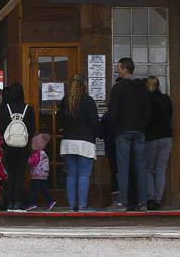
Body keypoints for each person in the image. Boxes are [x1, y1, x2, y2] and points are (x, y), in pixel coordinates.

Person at [108, 57, 150, 211]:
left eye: (119, 67)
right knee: (140, 166)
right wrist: (142, 125)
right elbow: (147, 111)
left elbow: (113, 113)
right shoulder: (142, 88)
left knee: (123, 167)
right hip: (139, 130)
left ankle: (122, 202)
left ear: (125, 69)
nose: (117, 70)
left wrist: (114, 128)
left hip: (123, 130)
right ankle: (143, 202)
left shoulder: (118, 88)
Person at [59, 74, 98, 212]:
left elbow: (60, 121)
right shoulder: (88, 100)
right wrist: (96, 133)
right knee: (83, 174)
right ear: (84, 86)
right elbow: (94, 122)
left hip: (68, 141)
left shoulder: (65, 101)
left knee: (71, 174)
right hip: (85, 141)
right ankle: (82, 206)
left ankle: (72, 206)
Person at [0, 83, 36, 211]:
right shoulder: (28, 109)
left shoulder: (5, 109)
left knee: (10, 174)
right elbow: (32, 129)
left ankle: (9, 203)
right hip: (23, 147)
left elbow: (0, 128)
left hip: (8, 147)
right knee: (20, 174)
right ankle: (18, 203)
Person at [144, 75, 172, 210]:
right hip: (167, 137)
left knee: (149, 169)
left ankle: (150, 198)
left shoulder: (146, 100)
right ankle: (158, 200)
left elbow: (146, 119)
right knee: (161, 169)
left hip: (151, 137)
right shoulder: (166, 99)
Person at [27, 133, 55, 210]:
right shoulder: (42, 153)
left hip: (37, 175)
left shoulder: (38, 153)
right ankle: (50, 201)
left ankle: (31, 203)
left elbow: (33, 162)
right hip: (43, 176)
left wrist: (27, 158)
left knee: (33, 191)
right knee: (43, 189)